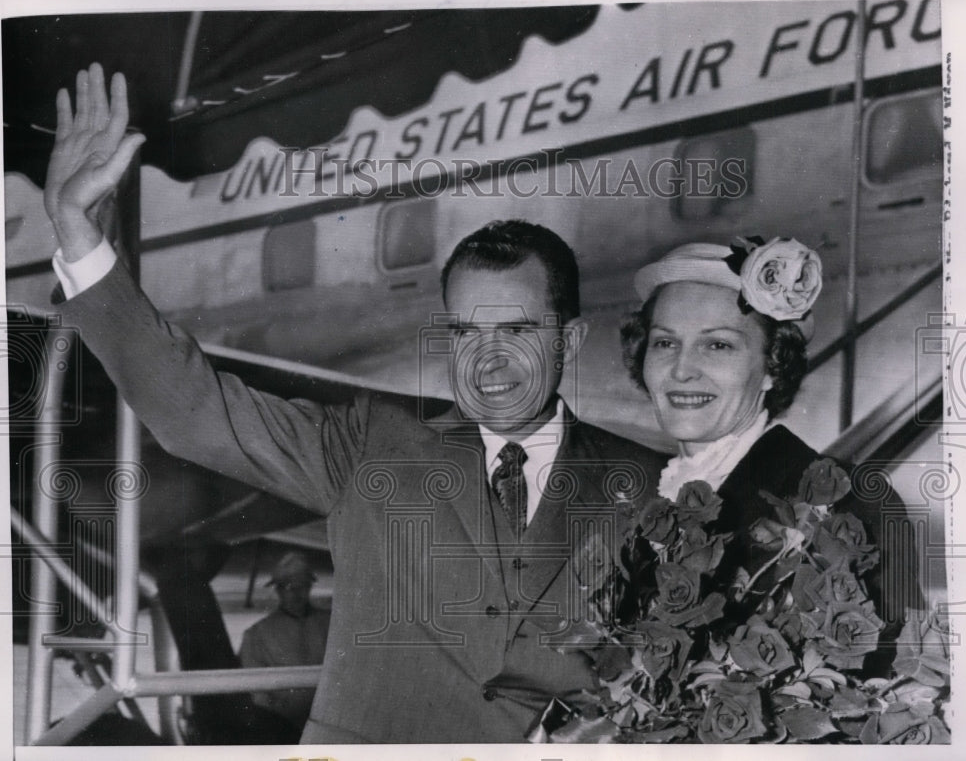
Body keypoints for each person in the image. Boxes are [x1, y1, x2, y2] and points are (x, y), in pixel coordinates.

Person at [42, 64, 666, 743]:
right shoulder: (372, 444)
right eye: (466, 332)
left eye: (516, 330)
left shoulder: (645, 487)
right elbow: (193, 408)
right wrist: (77, 232)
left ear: (569, 337)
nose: (488, 359)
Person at [620, 239, 925, 672]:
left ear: (771, 368)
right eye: (665, 343)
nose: (682, 369)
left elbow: (892, 680)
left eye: (718, 345)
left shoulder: (849, 503)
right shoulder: (643, 493)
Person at [238, 551, 330, 734]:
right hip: (284, 730)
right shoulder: (256, 636)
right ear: (278, 590)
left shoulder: (333, 624)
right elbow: (258, 695)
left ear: (310, 587)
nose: (297, 593)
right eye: (289, 587)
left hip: (332, 725)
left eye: (302, 586)